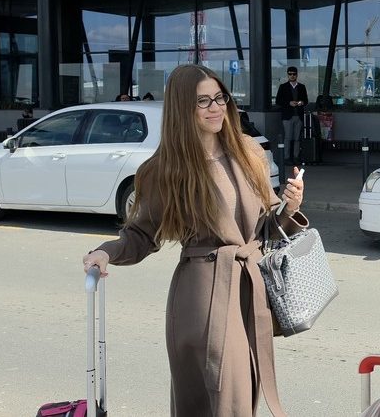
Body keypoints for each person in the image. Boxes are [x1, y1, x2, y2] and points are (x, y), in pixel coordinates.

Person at [82, 64, 308, 416]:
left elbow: (266, 224)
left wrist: (289, 206)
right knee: (220, 398)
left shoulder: (248, 151)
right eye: (203, 101)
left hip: (249, 286)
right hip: (203, 293)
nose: (215, 108)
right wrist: (106, 252)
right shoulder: (166, 169)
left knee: (242, 392)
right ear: (182, 108)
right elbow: (142, 232)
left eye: (219, 98)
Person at [274, 66, 309, 164]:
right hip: (287, 116)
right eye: (290, 74)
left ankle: (296, 157)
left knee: (297, 138)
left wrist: (301, 102)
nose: (292, 76)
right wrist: (289, 103)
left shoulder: (301, 87)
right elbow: (278, 101)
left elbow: (306, 100)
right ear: (287, 75)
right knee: (288, 137)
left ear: (297, 75)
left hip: (298, 116)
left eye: (294, 74)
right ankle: (286, 158)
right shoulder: (283, 87)